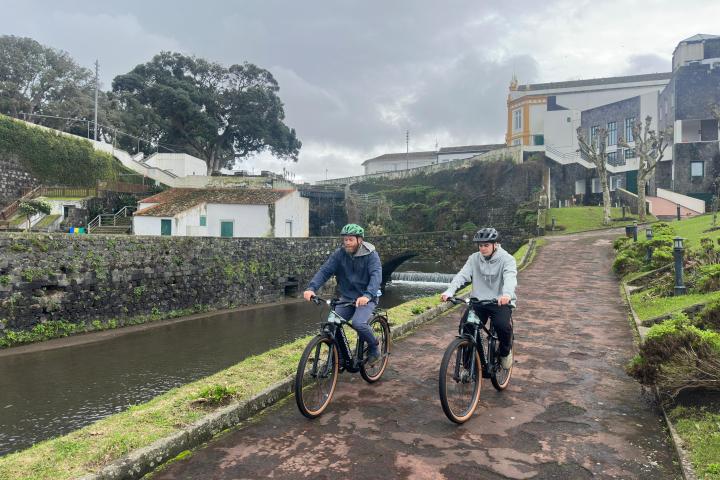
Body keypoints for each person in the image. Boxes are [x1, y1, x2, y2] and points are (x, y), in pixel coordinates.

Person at [303, 223, 383, 366]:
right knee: (331, 325)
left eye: (350, 239)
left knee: (358, 323)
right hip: (347, 297)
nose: (347, 243)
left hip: (367, 297)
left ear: (360, 240)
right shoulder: (340, 254)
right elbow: (325, 271)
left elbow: (376, 276)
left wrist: (367, 295)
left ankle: (374, 345)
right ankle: (339, 357)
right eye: (345, 239)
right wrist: (312, 288)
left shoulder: (371, 255)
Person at [441, 227, 517, 370]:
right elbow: (462, 275)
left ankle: (505, 353)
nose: (482, 248)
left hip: (499, 302)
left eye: (486, 245)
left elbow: (510, 278)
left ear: (495, 244)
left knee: (502, 326)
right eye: (480, 245)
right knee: (466, 326)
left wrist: (506, 294)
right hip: (478, 302)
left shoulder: (507, 259)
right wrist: (450, 291)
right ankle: (470, 364)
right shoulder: (474, 258)